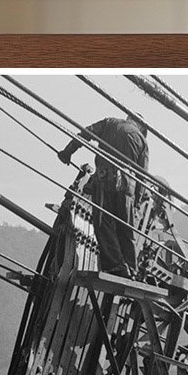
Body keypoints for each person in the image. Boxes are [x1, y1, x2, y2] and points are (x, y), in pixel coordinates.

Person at [58, 112, 149, 278]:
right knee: (125, 229)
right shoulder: (142, 141)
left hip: (104, 181)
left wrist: (68, 151)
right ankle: (131, 269)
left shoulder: (109, 123)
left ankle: (116, 266)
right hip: (127, 187)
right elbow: (143, 176)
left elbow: (85, 133)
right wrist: (136, 203)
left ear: (128, 118)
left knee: (103, 224)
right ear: (142, 127)